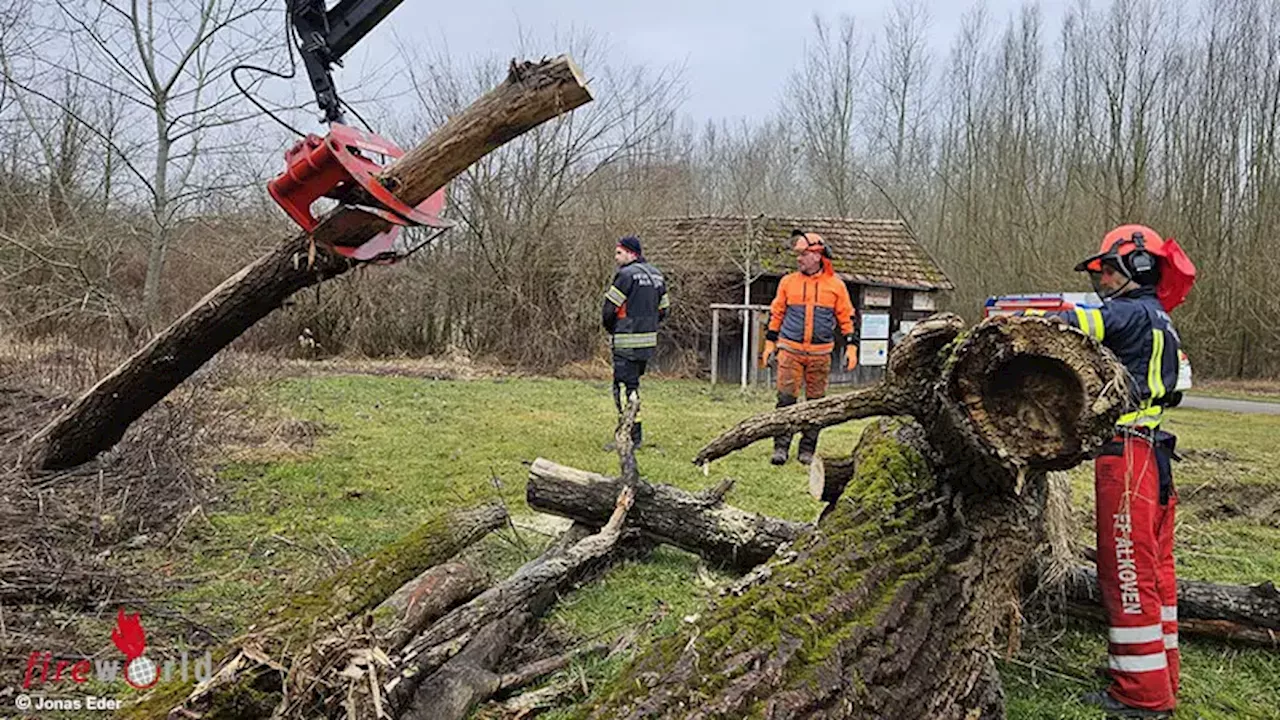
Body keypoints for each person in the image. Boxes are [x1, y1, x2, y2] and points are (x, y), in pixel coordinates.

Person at [1024, 224, 1196, 719]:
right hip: (1156, 453)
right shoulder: (1158, 317)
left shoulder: (1126, 314)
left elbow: (1067, 321)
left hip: (1130, 460)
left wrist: (1017, 311)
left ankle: (1141, 695)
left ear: (1136, 267)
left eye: (1105, 270)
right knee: (1157, 572)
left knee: (1126, 570)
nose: (1100, 281)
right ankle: (1159, 673)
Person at [761, 230, 857, 466]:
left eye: (803, 254)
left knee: (816, 404)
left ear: (817, 255)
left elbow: (847, 317)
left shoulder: (836, 286)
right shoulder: (788, 282)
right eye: (798, 255)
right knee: (786, 400)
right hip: (790, 350)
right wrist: (770, 343)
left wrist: (851, 346)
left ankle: (807, 450)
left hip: (820, 353)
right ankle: (780, 447)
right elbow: (777, 313)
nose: (799, 259)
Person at [602, 235, 668, 448]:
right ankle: (635, 433)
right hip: (647, 343)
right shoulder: (657, 276)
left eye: (619, 253)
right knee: (634, 386)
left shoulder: (625, 276)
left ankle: (628, 435)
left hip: (626, 341)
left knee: (623, 388)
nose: (616, 257)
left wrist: (613, 329)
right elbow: (664, 309)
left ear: (631, 253)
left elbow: (609, 309)